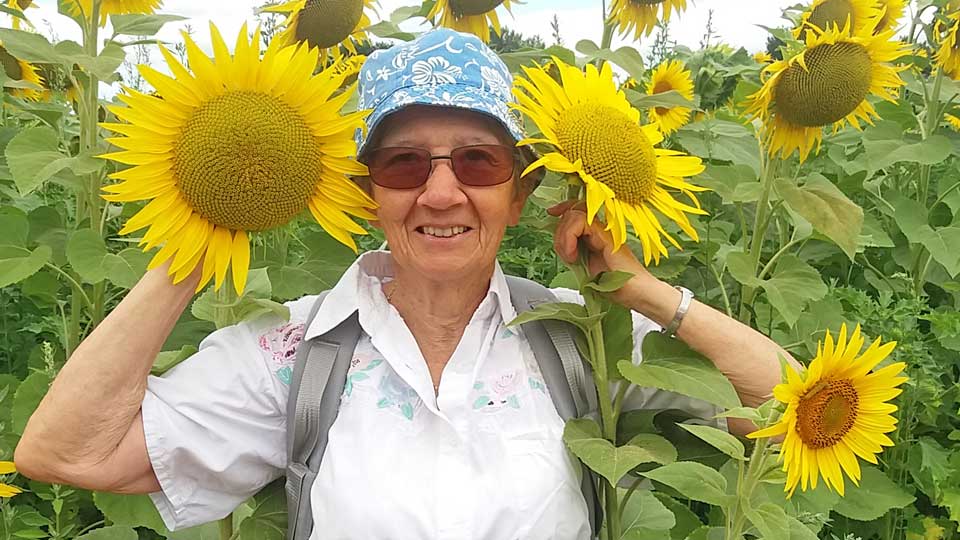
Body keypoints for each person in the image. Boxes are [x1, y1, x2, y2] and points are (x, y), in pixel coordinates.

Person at [15, 28, 796, 539]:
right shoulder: (296, 352)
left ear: (520, 193)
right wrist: (202, 224)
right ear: (370, 194)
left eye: (478, 162)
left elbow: (791, 411)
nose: (442, 192)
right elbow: (69, 457)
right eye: (403, 164)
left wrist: (645, 295)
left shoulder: (574, 339)